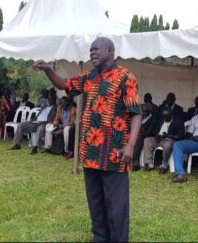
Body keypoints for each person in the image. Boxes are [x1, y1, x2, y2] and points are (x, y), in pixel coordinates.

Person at [32, 37, 142, 242]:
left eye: (96, 49)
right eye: (90, 50)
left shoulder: (125, 76)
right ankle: (99, 237)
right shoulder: (89, 77)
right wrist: (48, 70)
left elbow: (136, 112)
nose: (92, 53)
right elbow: (65, 84)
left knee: (116, 204)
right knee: (95, 200)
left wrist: (131, 145)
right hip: (90, 151)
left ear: (110, 51)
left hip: (115, 152)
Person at [143, 106, 185, 174]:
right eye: (164, 117)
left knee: (167, 145)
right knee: (147, 140)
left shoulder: (178, 121)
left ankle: (164, 164)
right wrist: (157, 135)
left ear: (171, 115)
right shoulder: (162, 119)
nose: (165, 118)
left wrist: (168, 135)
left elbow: (181, 135)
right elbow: (156, 130)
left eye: (167, 117)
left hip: (169, 139)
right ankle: (149, 163)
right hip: (159, 139)